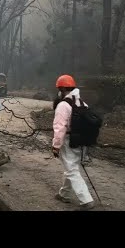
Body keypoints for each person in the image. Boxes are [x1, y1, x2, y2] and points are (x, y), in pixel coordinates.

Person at [52, 74, 95, 210]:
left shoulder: (63, 105)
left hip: (69, 141)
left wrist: (56, 145)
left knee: (71, 170)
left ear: (63, 88)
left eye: (59, 88)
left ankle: (86, 200)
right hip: (81, 141)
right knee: (71, 167)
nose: (58, 91)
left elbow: (59, 127)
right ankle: (64, 194)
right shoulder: (82, 103)